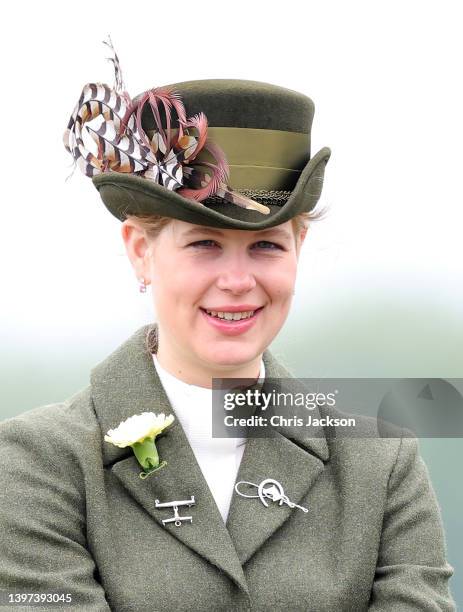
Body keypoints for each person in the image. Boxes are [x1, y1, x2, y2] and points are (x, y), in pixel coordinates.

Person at [0, 42, 455, 611]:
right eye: (205, 245)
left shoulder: (382, 461)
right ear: (141, 250)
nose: (237, 281)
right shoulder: (35, 463)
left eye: (265, 245)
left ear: (299, 249)